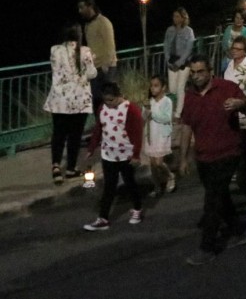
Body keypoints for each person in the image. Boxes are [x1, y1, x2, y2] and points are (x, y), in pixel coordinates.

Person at [180, 54, 246, 265]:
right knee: (220, 196)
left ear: (210, 71)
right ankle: (238, 229)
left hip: (227, 153)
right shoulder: (190, 96)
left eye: (200, 71)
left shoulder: (227, 88)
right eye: (193, 72)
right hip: (204, 156)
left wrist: (240, 104)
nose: (196, 76)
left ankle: (207, 247)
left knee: (212, 201)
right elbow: (186, 127)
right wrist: (183, 158)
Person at [83, 82, 144, 231]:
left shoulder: (131, 109)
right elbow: (98, 129)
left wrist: (136, 155)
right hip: (108, 154)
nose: (108, 103)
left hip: (126, 155)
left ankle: (137, 208)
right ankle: (103, 218)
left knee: (130, 183)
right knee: (109, 186)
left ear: (119, 96)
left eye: (111, 100)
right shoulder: (102, 108)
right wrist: (91, 148)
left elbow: (137, 134)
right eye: (106, 100)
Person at [44, 23, 97, 184]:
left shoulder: (55, 50)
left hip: (59, 100)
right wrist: (92, 60)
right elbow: (92, 73)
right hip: (79, 100)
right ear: (79, 35)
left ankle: (55, 166)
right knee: (75, 135)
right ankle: (70, 169)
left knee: (58, 134)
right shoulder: (85, 51)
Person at [223, 36, 246, 196]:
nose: (234, 51)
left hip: (244, 112)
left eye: (238, 49)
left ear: (245, 51)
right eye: (233, 48)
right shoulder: (229, 65)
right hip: (231, 112)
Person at [77, 0, 118, 108]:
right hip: (94, 67)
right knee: (96, 100)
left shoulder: (103, 22)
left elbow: (110, 45)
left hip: (105, 68)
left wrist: (106, 65)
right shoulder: (87, 25)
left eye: (82, 7)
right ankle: (100, 119)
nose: (80, 11)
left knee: (108, 100)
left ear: (90, 6)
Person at [144, 75, 176, 197]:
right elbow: (144, 117)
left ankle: (170, 175)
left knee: (158, 162)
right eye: (151, 85)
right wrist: (145, 113)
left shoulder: (167, 101)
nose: (153, 88)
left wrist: (152, 114)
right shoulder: (150, 101)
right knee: (152, 164)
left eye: (156, 85)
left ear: (163, 87)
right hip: (151, 134)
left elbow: (167, 118)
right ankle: (156, 186)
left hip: (161, 135)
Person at [163, 6, 195, 120]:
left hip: (184, 62)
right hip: (172, 60)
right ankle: (178, 106)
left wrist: (180, 62)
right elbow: (166, 45)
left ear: (183, 18)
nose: (175, 19)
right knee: (172, 88)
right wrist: (168, 59)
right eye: (174, 16)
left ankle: (178, 112)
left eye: (177, 16)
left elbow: (189, 48)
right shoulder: (170, 30)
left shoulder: (188, 31)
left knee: (180, 87)